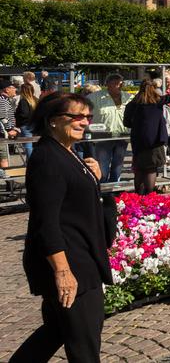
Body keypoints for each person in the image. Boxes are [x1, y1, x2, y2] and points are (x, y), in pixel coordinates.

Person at [11, 92, 112, 362]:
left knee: (56, 331)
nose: (84, 122)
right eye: (76, 116)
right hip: (71, 263)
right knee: (84, 345)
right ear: (53, 120)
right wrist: (63, 272)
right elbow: (46, 221)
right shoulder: (47, 158)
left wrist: (94, 178)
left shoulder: (68, 152)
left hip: (82, 256)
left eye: (87, 117)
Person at [123, 79, 170, 194]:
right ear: (153, 89)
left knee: (139, 168)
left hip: (138, 140)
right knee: (151, 168)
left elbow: (126, 123)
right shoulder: (157, 101)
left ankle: (138, 195)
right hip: (155, 140)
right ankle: (149, 195)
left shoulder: (132, 104)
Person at [87, 74, 133, 183]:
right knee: (103, 166)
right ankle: (102, 188)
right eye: (116, 84)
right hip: (103, 137)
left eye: (121, 84)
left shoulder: (128, 97)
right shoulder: (94, 97)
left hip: (122, 136)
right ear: (108, 84)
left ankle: (114, 188)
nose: (119, 86)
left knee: (118, 165)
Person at [0, 80, 19, 176]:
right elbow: (2, 117)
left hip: (3, 133)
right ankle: (8, 181)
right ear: (7, 89)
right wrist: (10, 129)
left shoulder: (5, 99)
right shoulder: (2, 100)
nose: (15, 89)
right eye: (13, 87)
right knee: (4, 157)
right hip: (2, 135)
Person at [16, 82, 38, 158]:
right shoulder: (36, 99)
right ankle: (30, 161)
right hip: (35, 124)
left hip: (26, 125)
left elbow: (24, 113)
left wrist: (17, 116)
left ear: (23, 91)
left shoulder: (23, 101)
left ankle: (30, 162)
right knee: (33, 144)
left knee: (28, 145)